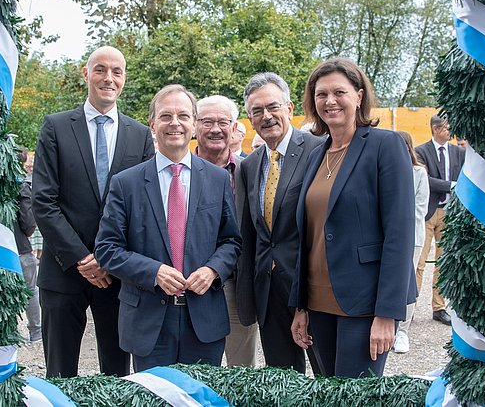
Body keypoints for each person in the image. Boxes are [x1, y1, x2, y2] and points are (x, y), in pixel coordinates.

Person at [94, 84, 242, 371]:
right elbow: (107, 249)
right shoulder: (126, 183)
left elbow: (231, 242)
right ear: (152, 125)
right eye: (166, 116)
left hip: (204, 321)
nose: (175, 123)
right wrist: (154, 272)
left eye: (183, 116)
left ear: (194, 125)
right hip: (149, 322)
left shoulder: (217, 179)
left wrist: (213, 270)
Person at [32, 45, 155, 378]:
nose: (109, 78)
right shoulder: (55, 127)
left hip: (117, 275)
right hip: (63, 270)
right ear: (86, 74)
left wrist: (109, 257)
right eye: (100, 69)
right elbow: (43, 200)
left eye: (117, 71)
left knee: (118, 374)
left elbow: (142, 207)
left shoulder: (140, 135)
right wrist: (82, 259)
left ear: (124, 78)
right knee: (59, 374)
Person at [289, 58, 416, 378]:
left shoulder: (385, 145)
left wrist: (387, 314)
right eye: (321, 94)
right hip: (318, 305)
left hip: (364, 305)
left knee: (357, 397)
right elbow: (309, 235)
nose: (329, 101)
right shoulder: (316, 153)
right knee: (328, 396)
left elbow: (399, 234)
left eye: (339, 92)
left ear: (359, 96)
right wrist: (300, 306)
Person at [236, 72, 325, 374]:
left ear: (289, 108)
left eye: (272, 107)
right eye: (256, 111)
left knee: (328, 378)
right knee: (282, 380)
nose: (266, 116)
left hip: (313, 288)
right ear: (249, 119)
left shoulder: (320, 150)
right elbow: (251, 234)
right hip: (269, 290)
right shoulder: (249, 165)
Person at [194, 94, 259, 367]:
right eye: (207, 122)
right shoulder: (176, 171)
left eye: (223, 122)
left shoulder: (251, 171)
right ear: (195, 126)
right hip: (190, 284)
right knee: (195, 370)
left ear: (234, 129)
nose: (215, 129)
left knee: (242, 372)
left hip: (238, 284)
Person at [414, 114, 465, 326]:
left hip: (449, 213)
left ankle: (439, 307)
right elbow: (425, 179)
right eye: (446, 127)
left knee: (443, 263)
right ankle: (410, 308)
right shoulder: (421, 151)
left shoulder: (458, 152)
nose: (450, 131)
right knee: (419, 261)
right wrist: (452, 185)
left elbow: (465, 175)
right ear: (435, 129)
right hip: (427, 213)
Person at [393, 131, 429, 354]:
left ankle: (403, 331)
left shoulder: (418, 173)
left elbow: (420, 209)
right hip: (386, 238)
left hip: (411, 236)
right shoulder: (387, 171)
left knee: (407, 283)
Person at [13, 147, 41, 343]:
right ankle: (36, 332)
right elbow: (28, 221)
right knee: (30, 289)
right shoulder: (20, 184)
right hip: (20, 246)